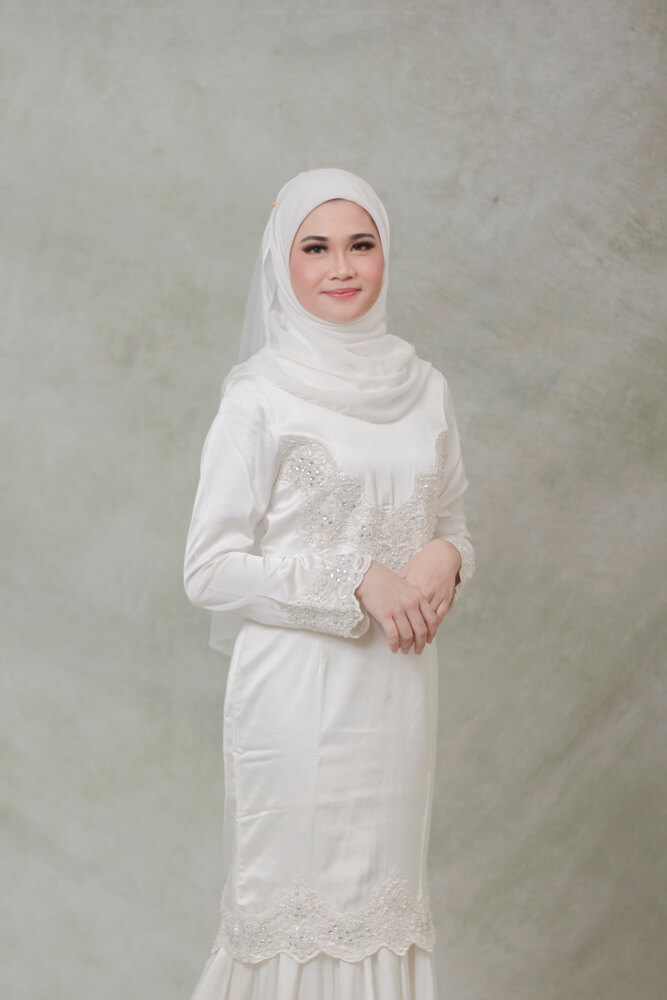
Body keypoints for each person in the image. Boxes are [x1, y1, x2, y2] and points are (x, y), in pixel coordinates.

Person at [183, 167, 475, 1000]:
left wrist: (449, 557)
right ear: (283, 262)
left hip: (397, 695)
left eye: (360, 245)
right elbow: (208, 569)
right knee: (295, 908)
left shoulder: (425, 389)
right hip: (297, 699)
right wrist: (352, 579)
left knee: (382, 906)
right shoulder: (259, 396)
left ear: (386, 254)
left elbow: (452, 524)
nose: (340, 267)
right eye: (315, 248)